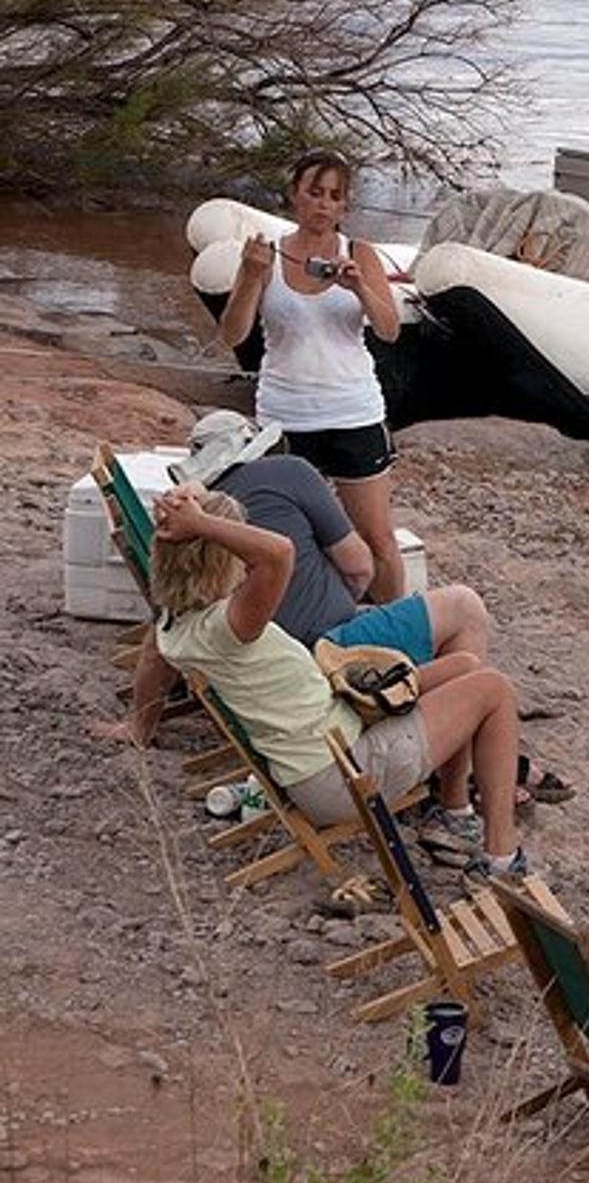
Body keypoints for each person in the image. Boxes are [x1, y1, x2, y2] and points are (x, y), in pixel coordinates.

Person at [148, 484, 530, 878]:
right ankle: (501, 856)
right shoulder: (229, 626)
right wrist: (202, 521)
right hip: (342, 775)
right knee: (496, 690)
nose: (244, 566)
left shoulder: (173, 626)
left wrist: (195, 515)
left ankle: (454, 811)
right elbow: (279, 553)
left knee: (466, 665)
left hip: (326, 740)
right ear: (217, 559)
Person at [102, 411, 494, 751]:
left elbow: (158, 645)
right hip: (330, 656)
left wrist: (140, 726)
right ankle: (456, 757)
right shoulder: (288, 472)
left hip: (262, 677)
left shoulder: (203, 524)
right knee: (464, 607)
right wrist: (336, 598)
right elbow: (359, 566)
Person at [217, 150, 407, 604]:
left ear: (344, 206)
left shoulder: (358, 253)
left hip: (353, 411)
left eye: (335, 196)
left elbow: (390, 329)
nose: (323, 204)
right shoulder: (268, 253)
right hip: (285, 413)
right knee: (281, 538)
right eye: (314, 193)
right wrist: (250, 276)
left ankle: (394, 634)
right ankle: (292, 625)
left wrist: (359, 285)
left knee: (378, 538)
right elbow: (233, 334)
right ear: (294, 195)